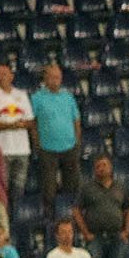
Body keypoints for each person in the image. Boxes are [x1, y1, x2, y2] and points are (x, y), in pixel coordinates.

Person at [73, 154, 129, 258]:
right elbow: (77, 210)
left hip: (116, 236)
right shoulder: (87, 188)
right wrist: (85, 233)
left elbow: (128, 210)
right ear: (94, 170)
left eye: (104, 165)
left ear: (110, 167)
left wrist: (126, 231)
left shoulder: (120, 187)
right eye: (98, 166)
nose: (102, 169)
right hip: (95, 236)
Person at [29, 62, 82, 217]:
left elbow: (76, 120)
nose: (55, 80)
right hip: (47, 149)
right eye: (52, 77)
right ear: (45, 78)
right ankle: (51, 218)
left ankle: (71, 217)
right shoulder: (37, 98)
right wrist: (37, 143)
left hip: (70, 147)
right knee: (49, 188)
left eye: (58, 77)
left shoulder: (68, 96)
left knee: (72, 186)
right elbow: (32, 123)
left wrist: (77, 140)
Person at [0, 62, 33, 208]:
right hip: (1, 152)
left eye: (4, 74)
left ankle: (16, 221)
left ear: (11, 75)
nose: (1, 77)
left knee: (18, 191)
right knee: (1, 192)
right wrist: (11, 125)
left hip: (22, 150)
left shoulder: (21, 95)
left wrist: (21, 124)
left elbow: (30, 121)